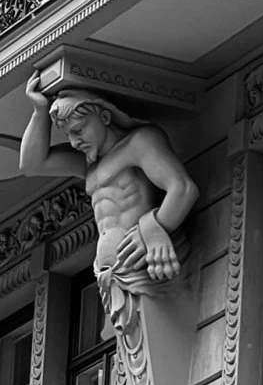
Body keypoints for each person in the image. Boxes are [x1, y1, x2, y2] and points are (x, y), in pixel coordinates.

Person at [20, 74, 199, 297]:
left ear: (104, 117)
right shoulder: (88, 164)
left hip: (148, 266)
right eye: (68, 135)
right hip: (111, 277)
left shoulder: (139, 142)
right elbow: (32, 164)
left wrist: (154, 228)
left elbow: (183, 188)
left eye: (79, 130)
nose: (74, 143)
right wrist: (40, 112)